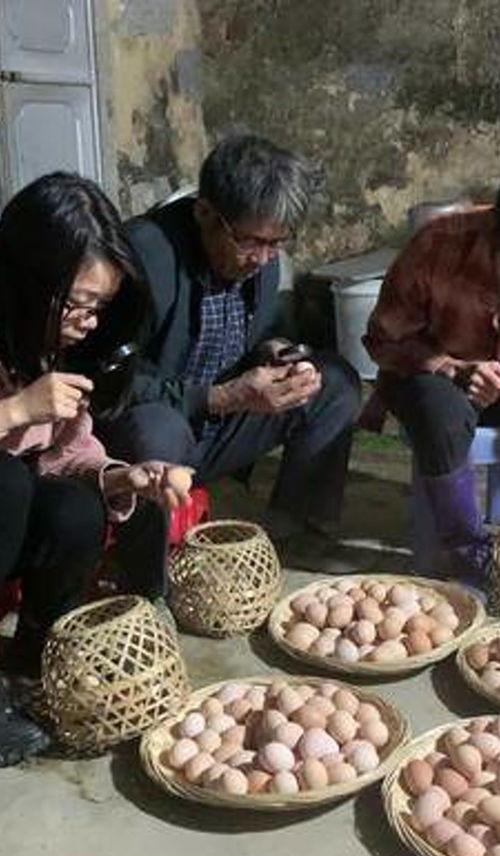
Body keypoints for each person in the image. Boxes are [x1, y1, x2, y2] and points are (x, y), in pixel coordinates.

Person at [97, 134, 361, 574]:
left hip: (219, 426)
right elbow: (107, 385)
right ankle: (147, 578)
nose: (263, 258)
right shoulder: (145, 257)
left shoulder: (261, 260)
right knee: (159, 429)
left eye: (277, 243)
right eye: (251, 241)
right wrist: (222, 397)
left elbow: (264, 332)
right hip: (150, 435)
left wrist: (278, 353)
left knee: (335, 382)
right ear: (205, 213)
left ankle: (294, 533)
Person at [0, 171, 193, 766]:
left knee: (75, 506)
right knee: (8, 481)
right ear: (29, 278)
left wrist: (122, 476)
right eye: (78, 302)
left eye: (100, 307)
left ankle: (33, 662)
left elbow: (68, 451)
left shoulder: (51, 346)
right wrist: (15, 409)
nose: (88, 321)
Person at [364, 200, 500, 601]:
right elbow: (383, 339)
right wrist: (454, 368)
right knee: (439, 411)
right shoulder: (439, 243)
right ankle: (468, 553)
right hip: (436, 379)